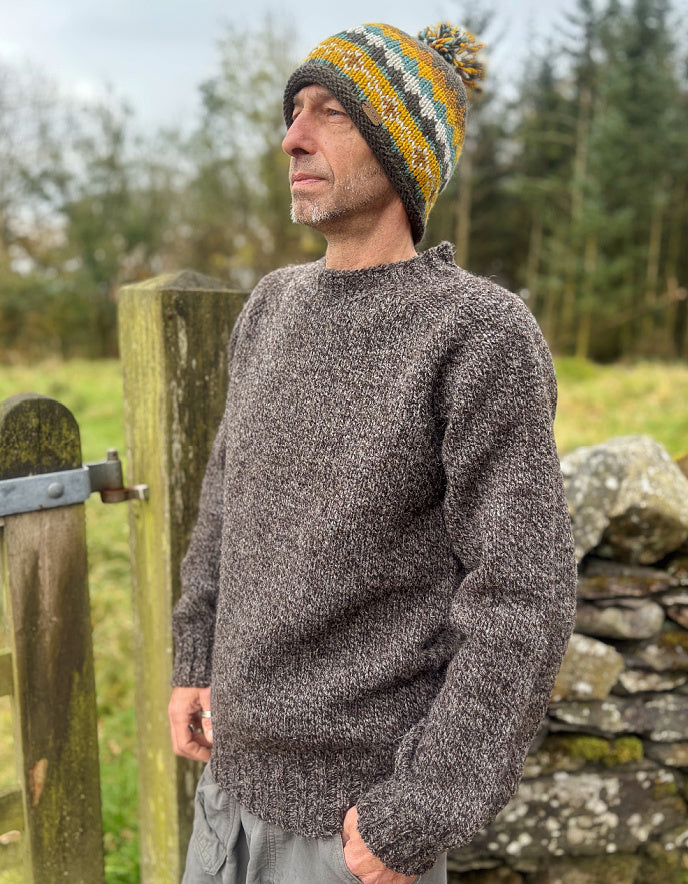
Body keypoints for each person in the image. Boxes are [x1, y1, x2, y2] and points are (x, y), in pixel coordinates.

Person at [168, 21, 577, 884]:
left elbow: (522, 595)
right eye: (292, 112)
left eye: (329, 113)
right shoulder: (271, 307)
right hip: (223, 800)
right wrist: (194, 661)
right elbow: (224, 498)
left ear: (400, 148)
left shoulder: (478, 334)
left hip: (350, 834)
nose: (292, 137)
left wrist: (421, 807)